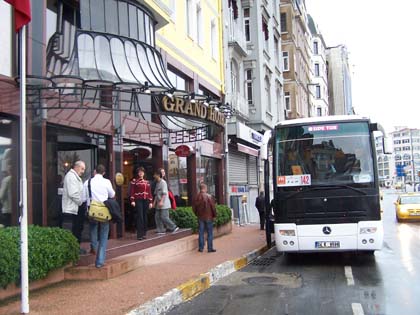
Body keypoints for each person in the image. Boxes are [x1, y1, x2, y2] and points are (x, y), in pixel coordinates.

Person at [85, 164, 115, 268]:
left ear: (95, 171)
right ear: (103, 172)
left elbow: (84, 197)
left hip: (92, 210)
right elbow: (112, 195)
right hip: (104, 211)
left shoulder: (88, 182)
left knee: (93, 228)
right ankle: (99, 261)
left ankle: (93, 247)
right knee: (103, 234)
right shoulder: (106, 182)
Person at [62, 160, 86, 253]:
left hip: (75, 207)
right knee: (75, 229)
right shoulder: (71, 176)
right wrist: (81, 202)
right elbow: (73, 193)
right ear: (76, 167)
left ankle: (76, 248)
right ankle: (74, 249)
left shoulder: (74, 176)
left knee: (77, 228)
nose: (83, 171)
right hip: (73, 207)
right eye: (82, 168)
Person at [153, 169, 179, 235]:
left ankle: (173, 227)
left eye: (155, 174)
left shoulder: (163, 182)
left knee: (164, 217)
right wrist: (154, 203)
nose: (154, 176)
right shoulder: (157, 183)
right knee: (157, 216)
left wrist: (161, 202)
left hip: (164, 204)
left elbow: (165, 193)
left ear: (158, 175)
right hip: (158, 204)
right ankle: (160, 230)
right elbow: (156, 194)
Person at [129, 166, 153, 240]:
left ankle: (144, 233)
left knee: (145, 216)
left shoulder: (147, 182)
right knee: (140, 217)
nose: (141, 173)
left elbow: (149, 193)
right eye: (139, 172)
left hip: (145, 200)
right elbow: (132, 192)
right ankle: (139, 234)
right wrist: (132, 200)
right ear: (138, 173)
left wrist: (151, 202)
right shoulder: (134, 181)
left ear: (144, 173)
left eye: (142, 172)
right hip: (138, 200)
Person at [192, 183, 217, 253]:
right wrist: (214, 215)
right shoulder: (209, 196)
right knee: (210, 233)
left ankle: (201, 248)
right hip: (209, 217)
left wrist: (197, 214)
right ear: (205, 188)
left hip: (200, 217)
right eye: (206, 188)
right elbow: (213, 207)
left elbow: (194, 208)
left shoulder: (196, 197)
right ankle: (210, 248)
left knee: (201, 232)